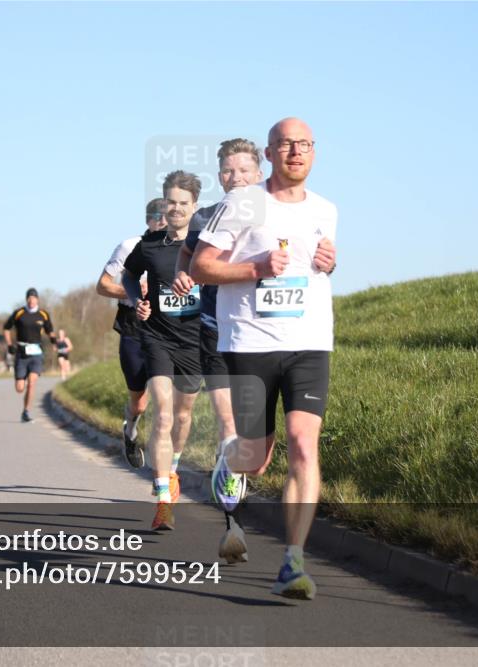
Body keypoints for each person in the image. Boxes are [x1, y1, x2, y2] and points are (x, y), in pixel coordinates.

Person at [191, 118, 337, 599]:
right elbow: (201, 267)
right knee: (256, 461)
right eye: (286, 145)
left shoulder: (325, 210)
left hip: (310, 339)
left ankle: (293, 563)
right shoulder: (242, 204)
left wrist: (329, 263)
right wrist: (253, 268)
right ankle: (229, 461)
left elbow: (317, 267)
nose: (296, 152)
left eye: (304, 144)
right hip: (251, 341)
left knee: (303, 443)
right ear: (271, 153)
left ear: (314, 153)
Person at [172, 138, 263, 564]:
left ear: (258, 173)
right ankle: (234, 526)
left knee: (254, 445)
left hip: (264, 339)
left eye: (244, 170)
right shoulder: (207, 216)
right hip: (215, 332)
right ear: (219, 175)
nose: (235, 178)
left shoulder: (278, 215)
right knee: (230, 430)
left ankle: (232, 467)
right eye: (228, 171)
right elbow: (188, 257)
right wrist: (182, 277)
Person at [122, 171, 204, 531]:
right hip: (157, 337)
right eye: (170, 202)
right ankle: (163, 501)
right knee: (164, 415)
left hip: (194, 340)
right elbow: (128, 274)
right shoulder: (150, 243)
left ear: (194, 206)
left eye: (183, 203)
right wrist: (136, 297)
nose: (175, 209)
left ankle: (171, 473)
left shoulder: (207, 244)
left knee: (183, 417)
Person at [95, 198, 167, 467]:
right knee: (139, 402)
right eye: (158, 216)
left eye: (169, 216)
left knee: (166, 398)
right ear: (148, 220)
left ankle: (164, 466)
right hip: (133, 325)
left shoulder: (179, 247)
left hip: (166, 326)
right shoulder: (130, 246)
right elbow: (102, 286)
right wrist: (133, 291)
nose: (163, 221)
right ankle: (131, 431)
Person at [3, 288, 57, 423]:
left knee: (32, 384)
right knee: (20, 388)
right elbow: (6, 328)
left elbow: (50, 330)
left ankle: (26, 412)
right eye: (29, 298)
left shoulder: (43, 314)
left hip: (36, 354)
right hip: (21, 353)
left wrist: (54, 342)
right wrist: (9, 345)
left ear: (37, 299)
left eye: (34, 298)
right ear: (26, 299)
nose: (31, 300)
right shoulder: (19, 313)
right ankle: (22, 380)